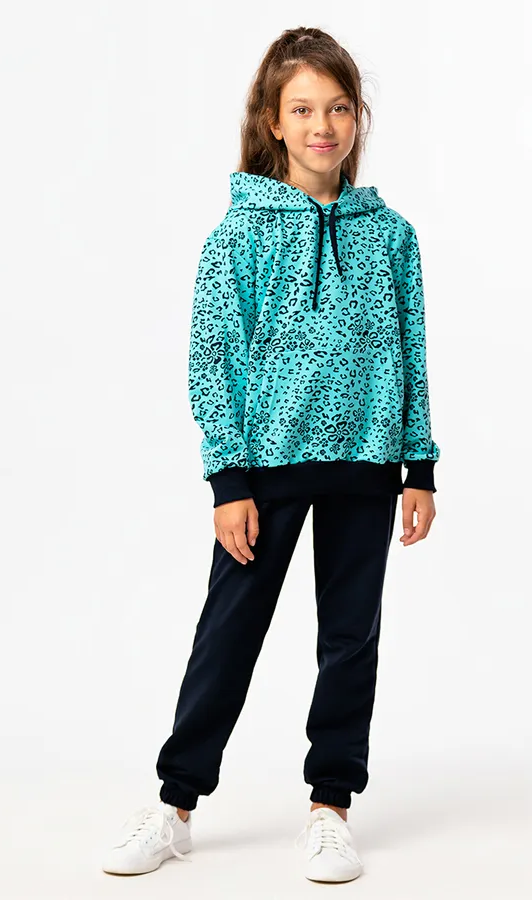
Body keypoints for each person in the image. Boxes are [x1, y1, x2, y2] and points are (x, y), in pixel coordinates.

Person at [102, 25, 440, 884]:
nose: (323, 125)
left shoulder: (393, 236)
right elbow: (212, 357)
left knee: (350, 639)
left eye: (338, 107)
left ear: (358, 118)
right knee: (229, 634)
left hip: (368, 464)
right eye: (303, 109)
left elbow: (411, 353)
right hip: (266, 470)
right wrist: (228, 479)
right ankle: (176, 804)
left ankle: (331, 809)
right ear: (273, 121)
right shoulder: (240, 233)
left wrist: (420, 467)